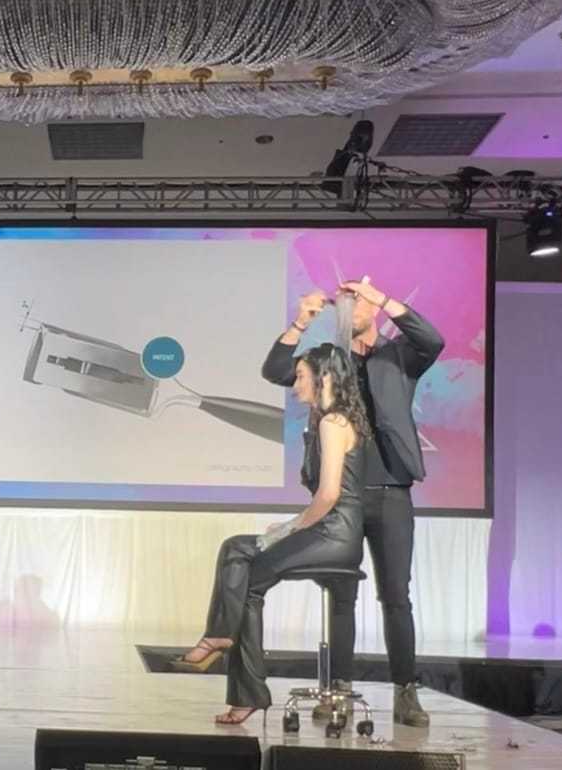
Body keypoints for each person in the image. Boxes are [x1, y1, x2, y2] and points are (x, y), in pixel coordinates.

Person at [262, 276, 444, 727]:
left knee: (395, 596)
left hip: (391, 492)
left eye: (359, 303)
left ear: (375, 309)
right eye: (347, 303)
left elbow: (433, 339)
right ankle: (336, 689)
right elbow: (276, 370)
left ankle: (406, 692)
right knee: (342, 593)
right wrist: (301, 321)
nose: (351, 309)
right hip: (344, 496)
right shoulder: (329, 361)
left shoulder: (399, 355)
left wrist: (380, 296)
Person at [173, 344, 369, 724]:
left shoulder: (333, 423)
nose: (295, 386)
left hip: (335, 535)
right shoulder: (325, 421)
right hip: (332, 532)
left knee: (245, 574)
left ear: (323, 377)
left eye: (300, 376)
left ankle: (228, 655)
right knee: (237, 552)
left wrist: (285, 531)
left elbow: (329, 495)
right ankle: (223, 645)